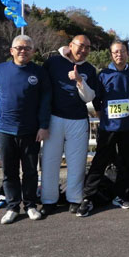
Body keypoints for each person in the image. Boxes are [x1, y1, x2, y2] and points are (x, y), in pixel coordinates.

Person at [0, 35, 51, 224]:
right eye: (19, 47)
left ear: (33, 51)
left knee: (30, 170)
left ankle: (30, 205)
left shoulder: (39, 72)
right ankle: (12, 206)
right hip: (5, 129)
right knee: (9, 171)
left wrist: (43, 125)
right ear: (11, 50)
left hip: (31, 130)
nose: (23, 50)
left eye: (27, 48)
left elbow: (46, 100)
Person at [76, 40, 129, 217]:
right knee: (100, 161)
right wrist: (101, 116)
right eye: (115, 52)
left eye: (122, 51)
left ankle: (121, 195)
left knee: (126, 162)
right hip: (108, 128)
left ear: (128, 53)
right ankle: (88, 198)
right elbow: (96, 100)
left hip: (128, 128)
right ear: (111, 55)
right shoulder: (103, 75)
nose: (119, 54)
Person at [40, 35, 97, 216]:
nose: (84, 50)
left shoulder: (89, 69)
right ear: (70, 45)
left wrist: (80, 80)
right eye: (81, 46)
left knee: (77, 162)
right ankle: (49, 200)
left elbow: (89, 98)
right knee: (50, 160)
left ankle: (74, 198)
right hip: (54, 118)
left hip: (79, 120)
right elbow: (42, 88)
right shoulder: (53, 63)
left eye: (88, 47)